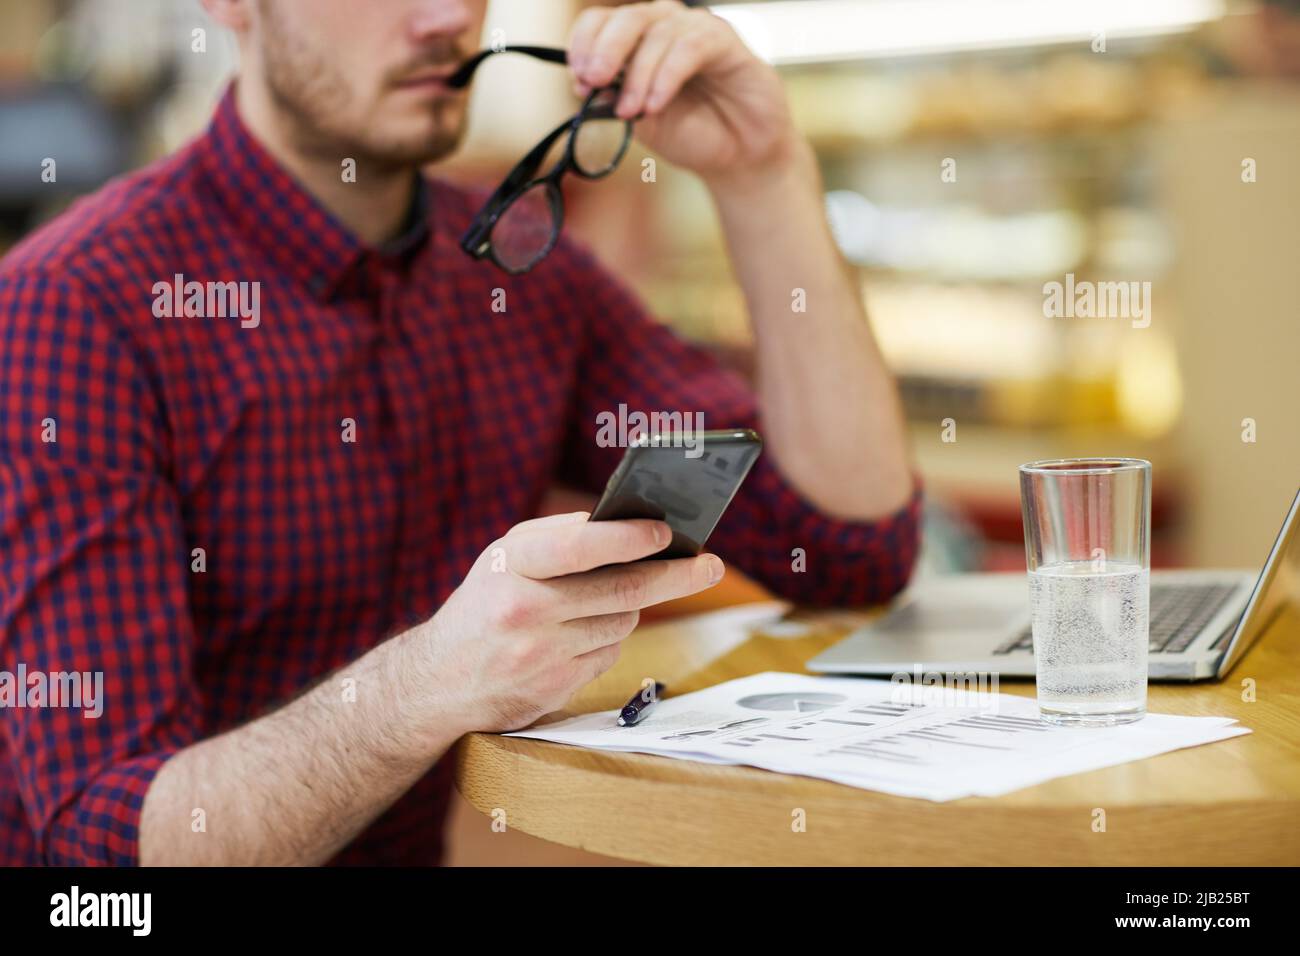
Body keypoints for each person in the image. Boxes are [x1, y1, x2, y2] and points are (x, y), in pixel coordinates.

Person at [0, 0, 918, 865]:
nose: (447, 18)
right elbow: (97, 852)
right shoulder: (74, 306)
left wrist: (763, 172)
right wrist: (423, 687)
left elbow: (845, 546)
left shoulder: (521, 273)